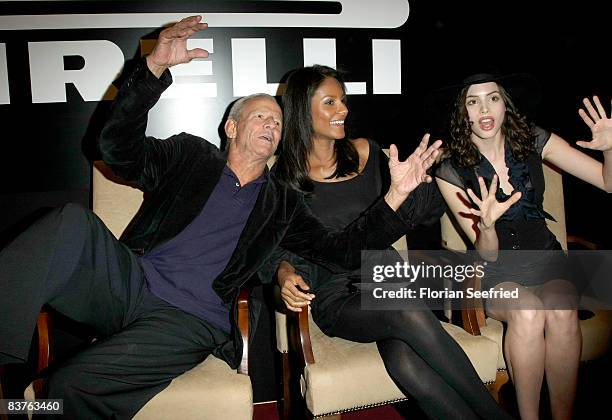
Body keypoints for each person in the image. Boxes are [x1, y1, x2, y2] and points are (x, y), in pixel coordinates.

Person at [0, 16, 442, 418]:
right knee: (67, 222)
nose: (273, 125)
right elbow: (117, 150)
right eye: (261, 117)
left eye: (279, 123)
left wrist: (396, 196)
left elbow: (343, 252)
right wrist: (151, 70)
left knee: (68, 387)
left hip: (191, 318)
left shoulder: (283, 202)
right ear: (231, 128)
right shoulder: (190, 156)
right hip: (130, 282)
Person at [269, 65, 515, 420]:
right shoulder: (283, 182)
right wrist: (283, 272)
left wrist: (426, 182)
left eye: (343, 100)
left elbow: (417, 215)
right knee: (404, 308)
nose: (343, 110)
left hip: (387, 277)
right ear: (301, 109)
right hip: (338, 293)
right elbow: (314, 252)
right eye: (330, 102)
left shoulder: (366, 153)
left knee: (405, 364)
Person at [433, 71, 612, 420]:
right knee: (528, 311)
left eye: (493, 98)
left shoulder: (534, 139)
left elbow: (606, 182)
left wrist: (610, 149)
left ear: (505, 105)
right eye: (473, 101)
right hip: (496, 269)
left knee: (561, 309)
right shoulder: (450, 169)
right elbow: (486, 253)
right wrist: (485, 224)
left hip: (547, 260)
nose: (484, 108)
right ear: (463, 111)